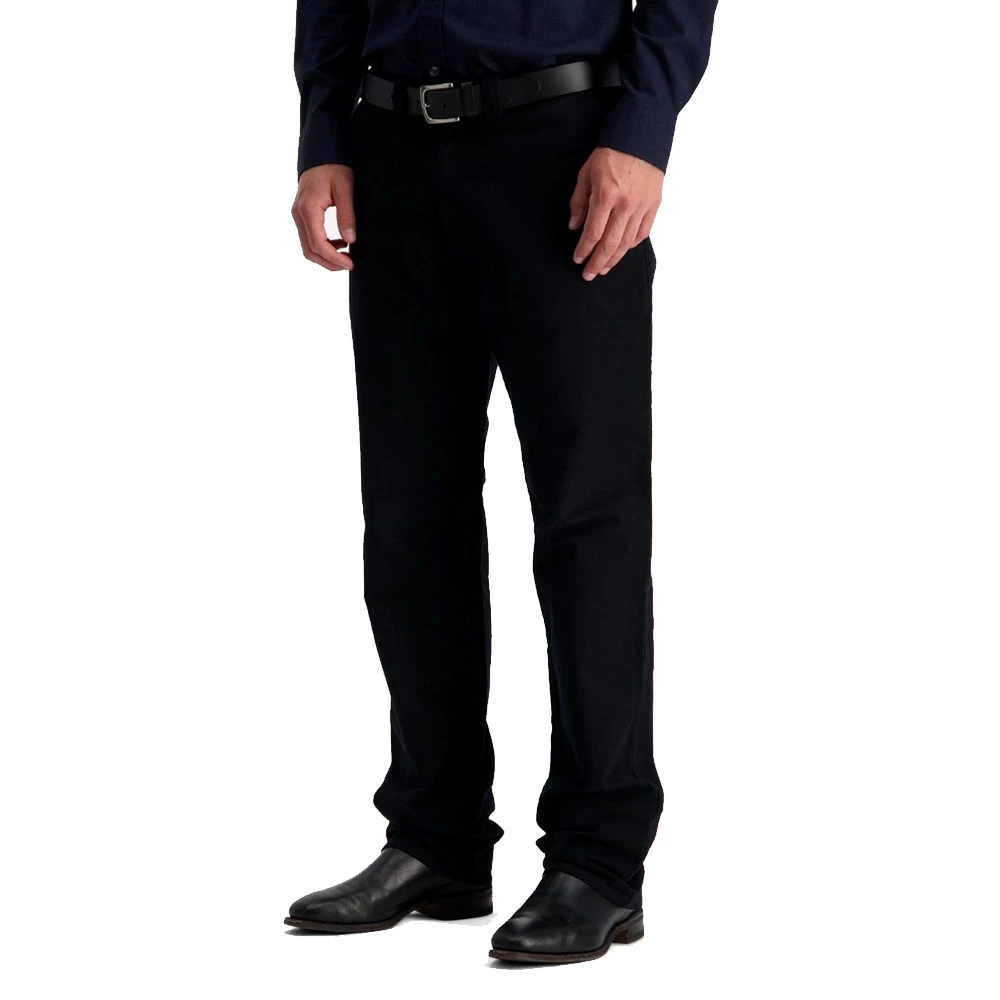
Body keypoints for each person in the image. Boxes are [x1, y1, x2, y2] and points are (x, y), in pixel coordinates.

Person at [285, 0, 717, 965]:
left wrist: (644, 128)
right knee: (408, 518)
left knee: (587, 519)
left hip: (565, 149)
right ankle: (434, 839)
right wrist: (324, 132)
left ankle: (600, 860)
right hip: (391, 148)